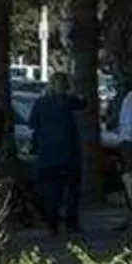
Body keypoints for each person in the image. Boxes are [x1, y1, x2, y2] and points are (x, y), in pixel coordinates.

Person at [28, 73, 84, 235]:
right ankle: (71, 223)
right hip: (69, 155)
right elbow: (84, 103)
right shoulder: (69, 101)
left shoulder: (41, 103)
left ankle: (53, 223)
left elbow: (33, 124)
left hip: (47, 155)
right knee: (72, 191)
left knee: (51, 192)